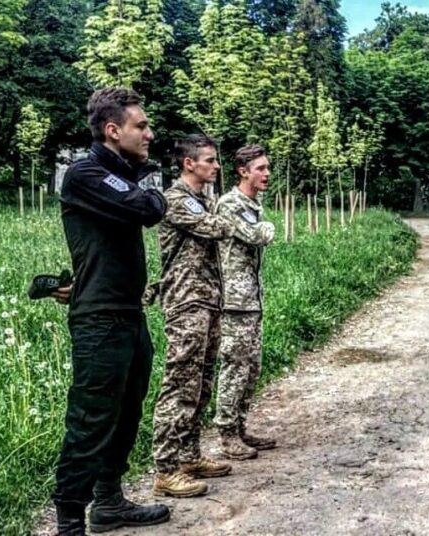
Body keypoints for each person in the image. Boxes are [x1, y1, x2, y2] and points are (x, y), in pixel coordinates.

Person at [52, 88, 170, 535]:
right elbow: (148, 208)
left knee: (126, 412)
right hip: (98, 318)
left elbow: (142, 203)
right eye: (141, 126)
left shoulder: (119, 174)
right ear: (112, 129)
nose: (149, 134)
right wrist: (145, 176)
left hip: (128, 313)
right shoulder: (84, 174)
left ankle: (109, 503)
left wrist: (139, 173)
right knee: (91, 418)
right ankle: (68, 523)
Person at [151, 134, 271, 497]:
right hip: (185, 301)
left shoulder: (205, 200)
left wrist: (221, 213)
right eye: (209, 160)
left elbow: (222, 224)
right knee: (179, 384)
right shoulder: (176, 199)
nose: (216, 166)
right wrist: (226, 216)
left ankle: (189, 455)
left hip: (209, 300)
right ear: (189, 164)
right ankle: (166, 467)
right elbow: (218, 227)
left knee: (201, 383)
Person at [214, 144, 277, 459]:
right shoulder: (230, 204)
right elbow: (255, 235)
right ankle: (226, 434)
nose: (267, 174)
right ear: (243, 171)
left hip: (251, 297)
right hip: (234, 300)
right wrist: (268, 227)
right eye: (261, 168)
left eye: (267, 168)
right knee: (235, 365)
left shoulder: (253, 203)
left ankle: (240, 427)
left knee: (252, 366)